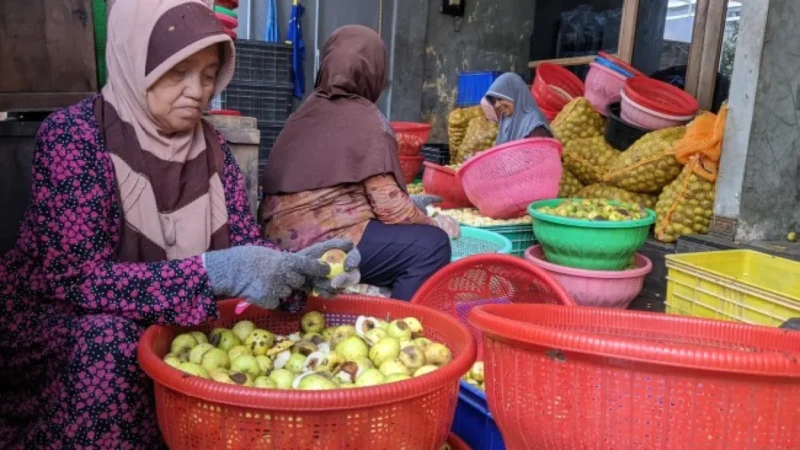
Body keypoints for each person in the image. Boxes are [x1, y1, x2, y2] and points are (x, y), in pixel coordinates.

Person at [0, 1, 358, 448]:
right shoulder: (75, 138)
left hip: (169, 331)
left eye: (208, 75)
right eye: (177, 72)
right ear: (135, 63)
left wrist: (300, 269)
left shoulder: (214, 149)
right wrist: (214, 274)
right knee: (110, 340)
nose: (197, 91)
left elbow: (244, 250)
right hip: (63, 333)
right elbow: (77, 280)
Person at [259, 25, 459, 302]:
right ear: (375, 72)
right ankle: (399, 326)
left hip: (275, 238)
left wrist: (414, 209)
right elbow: (392, 210)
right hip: (323, 244)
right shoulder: (366, 118)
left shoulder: (304, 113)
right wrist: (435, 224)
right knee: (431, 246)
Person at [484, 72, 553, 144]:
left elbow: (539, 152)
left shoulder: (534, 125)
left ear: (516, 95)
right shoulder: (507, 121)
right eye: (494, 101)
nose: (497, 105)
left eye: (500, 99)